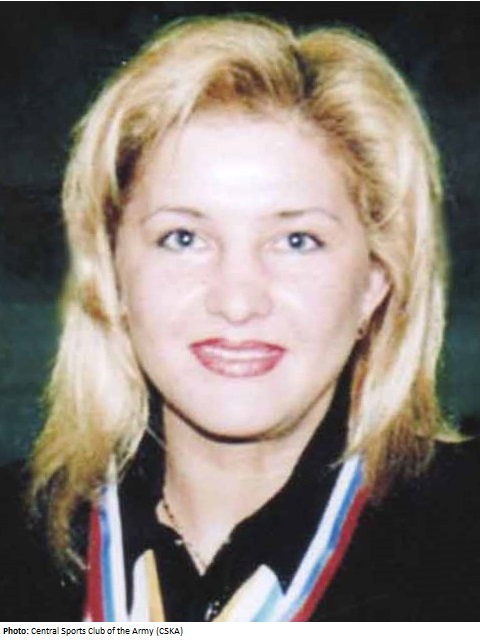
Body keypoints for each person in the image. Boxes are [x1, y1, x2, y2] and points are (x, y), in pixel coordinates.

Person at [1, 14, 479, 622]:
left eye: (297, 241)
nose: (237, 300)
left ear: (374, 281)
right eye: (183, 238)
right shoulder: (17, 543)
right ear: (112, 274)